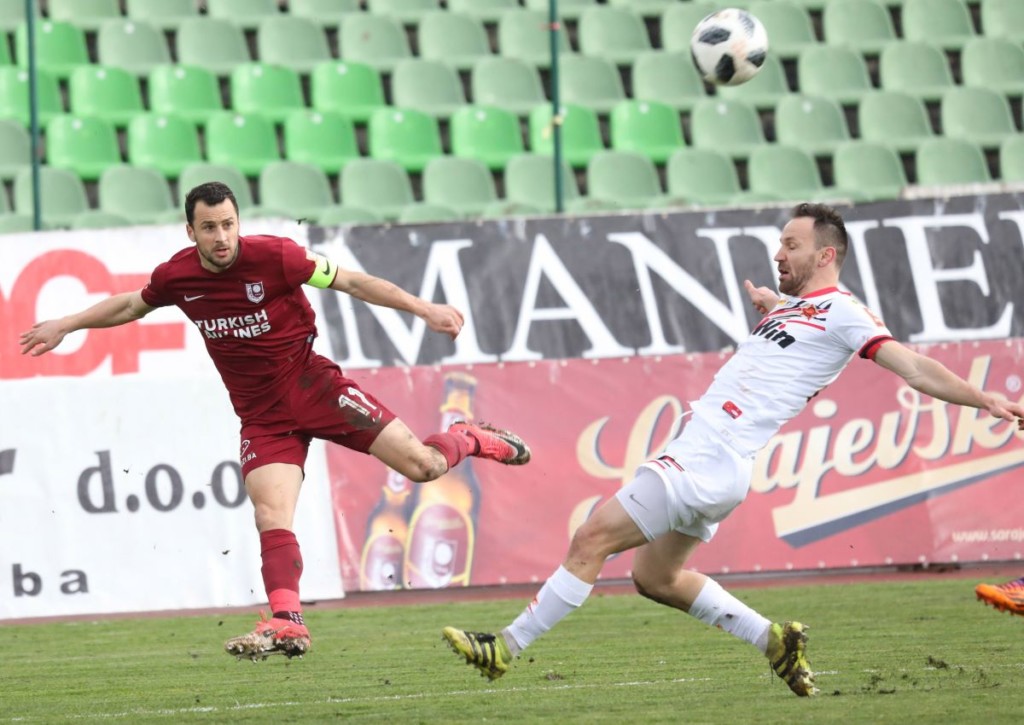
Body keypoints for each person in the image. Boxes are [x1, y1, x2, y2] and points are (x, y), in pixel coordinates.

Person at [441, 203, 1024, 697]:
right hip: (719, 463)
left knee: (590, 539)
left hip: (707, 455)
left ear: (826, 254)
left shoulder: (846, 313)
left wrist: (984, 399)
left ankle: (506, 646)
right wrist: (777, 307)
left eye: (792, 245)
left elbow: (914, 367)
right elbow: (796, 339)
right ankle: (773, 639)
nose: (779, 253)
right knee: (656, 578)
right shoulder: (799, 309)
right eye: (779, 243)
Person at [19, 181, 531, 661]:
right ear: (190, 231)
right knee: (270, 514)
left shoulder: (278, 256)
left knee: (424, 467)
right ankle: (288, 621)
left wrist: (423, 309)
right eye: (209, 228)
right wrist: (67, 323)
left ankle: (469, 437)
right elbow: (131, 306)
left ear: (238, 222)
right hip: (263, 418)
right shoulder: (178, 277)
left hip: (316, 388)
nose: (222, 237)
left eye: (228, 224)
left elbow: (353, 281)